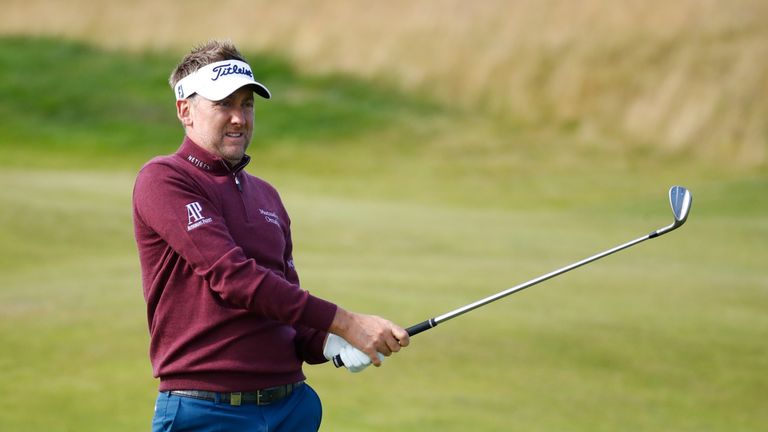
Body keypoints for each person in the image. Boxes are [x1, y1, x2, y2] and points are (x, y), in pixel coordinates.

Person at [132, 40, 409, 432]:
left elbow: (283, 304)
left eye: (246, 104)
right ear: (185, 110)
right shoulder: (164, 179)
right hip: (207, 412)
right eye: (223, 104)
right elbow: (235, 279)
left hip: (290, 408)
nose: (239, 118)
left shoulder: (267, 195)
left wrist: (329, 343)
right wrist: (345, 323)